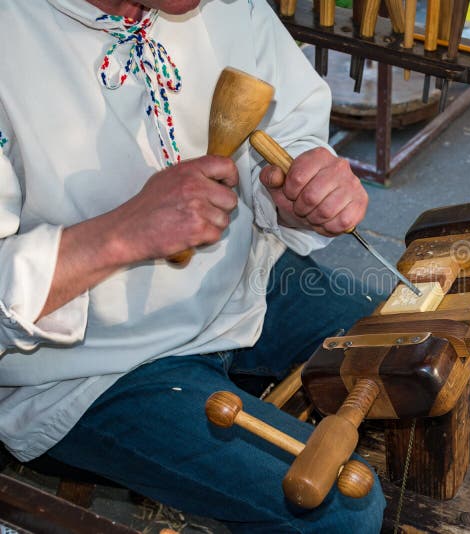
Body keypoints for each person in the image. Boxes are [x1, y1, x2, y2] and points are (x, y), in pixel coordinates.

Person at [0, 0, 386, 531]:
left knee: (414, 348)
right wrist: (120, 234)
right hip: (92, 368)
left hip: (241, 283)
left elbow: (286, 122)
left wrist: (296, 188)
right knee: (338, 510)